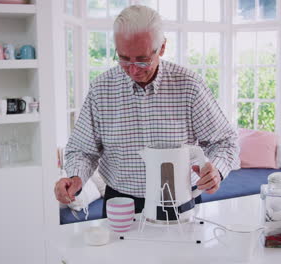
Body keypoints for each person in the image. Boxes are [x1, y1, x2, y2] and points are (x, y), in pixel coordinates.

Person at [54, 5, 240, 218]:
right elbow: (82, 150)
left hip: (179, 203)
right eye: (124, 59)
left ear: (161, 48)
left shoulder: (189, 86)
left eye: (142, 60)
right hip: (121, 202)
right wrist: (76, 177)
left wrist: (216, 170)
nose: (133, 70)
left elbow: (225, 141)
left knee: (181, 253)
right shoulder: (101, 89)